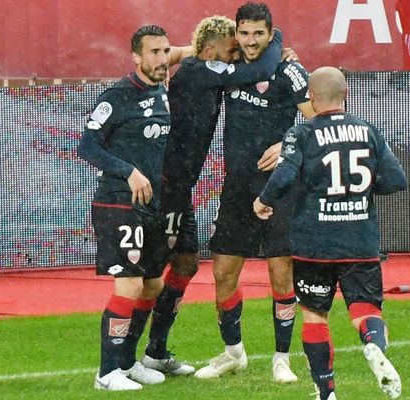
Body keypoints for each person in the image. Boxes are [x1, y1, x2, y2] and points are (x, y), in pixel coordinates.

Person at [134, 15, 285, 376]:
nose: (236, 55)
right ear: (210, 50)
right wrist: (276, 43)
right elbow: (257, 70)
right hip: (165, 186)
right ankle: (125, 362)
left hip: (180, 187)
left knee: (186, 264)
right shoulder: (201, 71)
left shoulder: (197, 67)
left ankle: (155, 352)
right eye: (231, 49)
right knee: (151, 274)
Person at [253, 66, 407, 399]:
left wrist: (263, 201)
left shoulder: (302, 133)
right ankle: (373, 345)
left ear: (310, 97)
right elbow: (397, 180)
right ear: (346, 94)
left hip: (314, 242)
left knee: (315, 316)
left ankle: (326, 392)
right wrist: (359, 191)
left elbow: (283, 176)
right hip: (359, 240)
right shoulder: (368, 130)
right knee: (366, 310)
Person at [195, 2, 315, 383]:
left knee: (281, 275)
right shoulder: (231, 68)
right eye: (244, 33)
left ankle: (282, 359)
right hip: (236, 190)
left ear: (270, 32)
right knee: (223, 272)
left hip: (280, 189)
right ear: (236, 32)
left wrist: (287, 144)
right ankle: (233, 353)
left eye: (258, 33)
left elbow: (319, 121)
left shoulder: (290, 70)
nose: (250, 41)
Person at [77, 25, 173, 391]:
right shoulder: (116, 96)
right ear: (136, 56)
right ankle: (106, 373)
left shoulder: (163, 90)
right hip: (118, 201)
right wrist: (128, 170)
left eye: (165, 52)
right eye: (154, 52)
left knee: (153, 285)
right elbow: (87, 146)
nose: (162, 59)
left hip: (151, 205)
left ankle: (127, 363)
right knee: (130, 284)